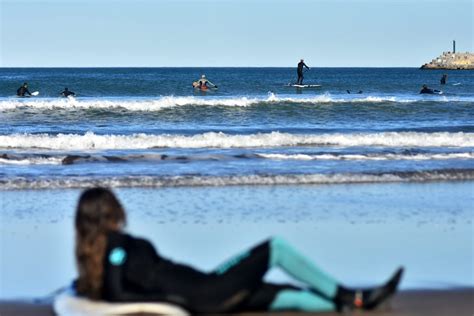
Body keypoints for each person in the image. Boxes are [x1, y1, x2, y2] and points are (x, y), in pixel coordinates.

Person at [74, 187, 403, 314]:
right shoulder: (116, 246)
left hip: (206, 287)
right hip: (204, 294)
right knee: (275, 248)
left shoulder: (104, 253)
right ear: (107, 211)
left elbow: (111, 286)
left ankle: (351, 307)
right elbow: (116, 294)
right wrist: (167, 301)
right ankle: (351, 296)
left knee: (281, 295)